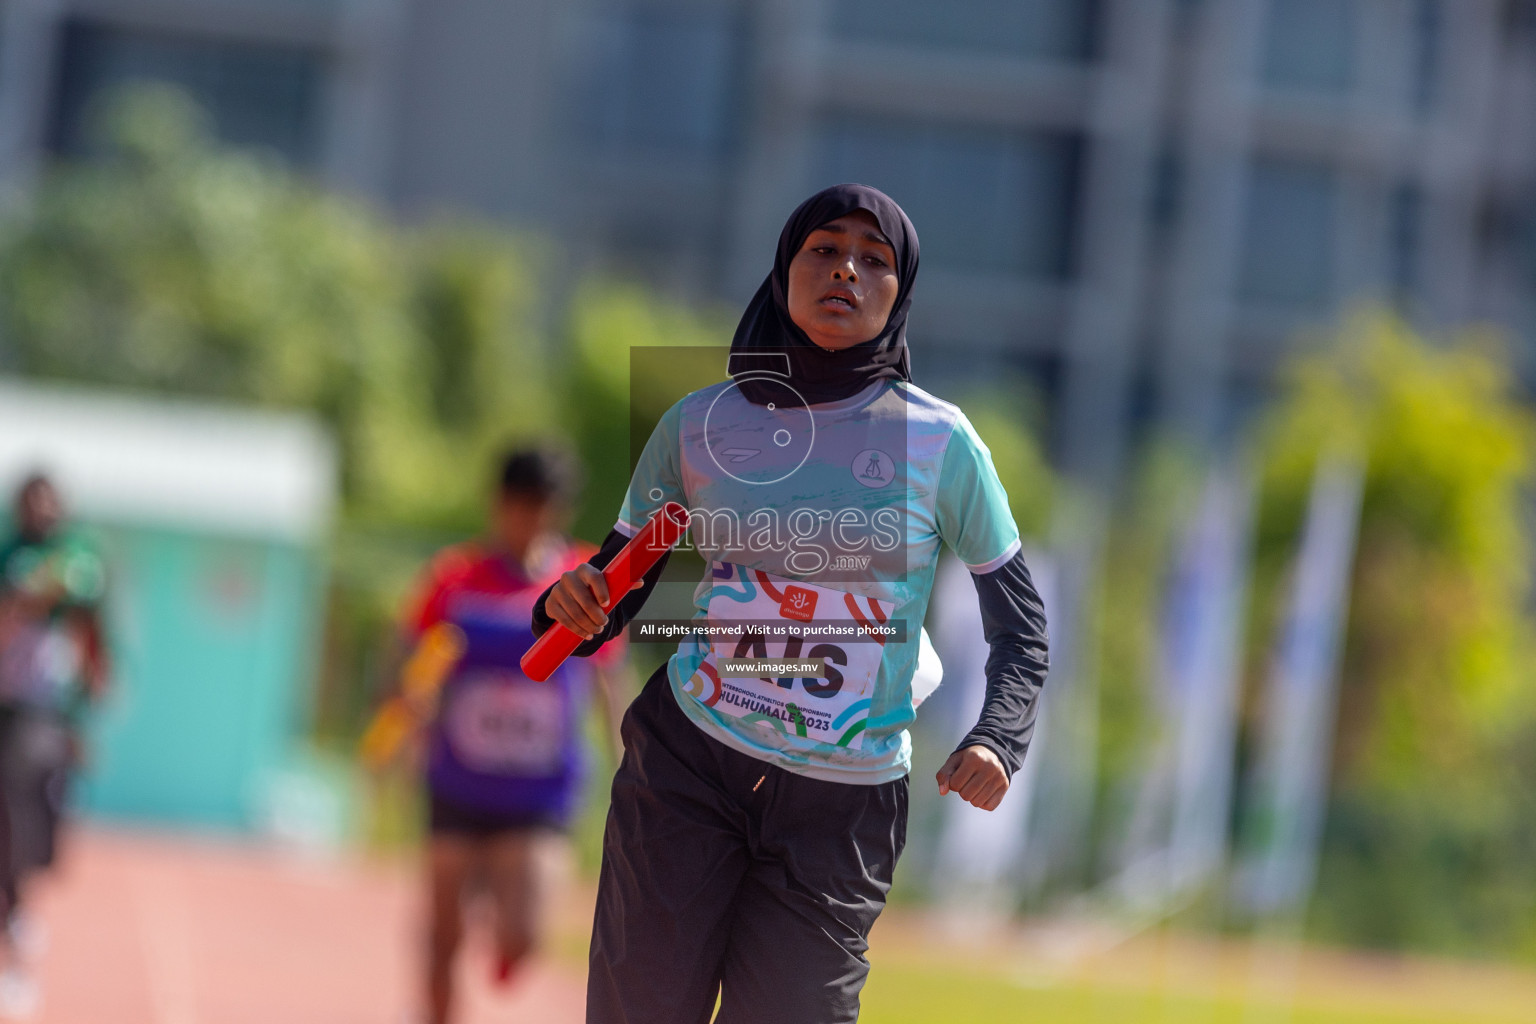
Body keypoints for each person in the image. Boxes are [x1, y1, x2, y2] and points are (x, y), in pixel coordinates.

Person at [534, 184, 1050, 1023]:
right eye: (824, 248)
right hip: (688, 767)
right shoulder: (698, 428)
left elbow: (1022, 627)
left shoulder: (942, 443)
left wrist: (999, 736)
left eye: (874, 259)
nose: (846, 268)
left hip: (840, 809)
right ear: (783, 271)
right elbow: (618, 586)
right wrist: (572, 603)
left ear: (900, 293)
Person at [393, 446, 627, 1024]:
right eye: (521, 507)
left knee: (524, 937)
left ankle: (504, 934)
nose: (531, 521)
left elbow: (607, 679)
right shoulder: (455, 579)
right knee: (442, 938)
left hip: (539, 792)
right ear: (499, 505)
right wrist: (402, 714)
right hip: (457, 780)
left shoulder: (580, 582)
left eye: (544, 508)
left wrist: (627, 759)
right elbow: (409, 661)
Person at [0, 473, 110, 1016]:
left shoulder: (79, 559)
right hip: (4, 707)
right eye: (31, 502)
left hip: (42, 713)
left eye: (51, 503)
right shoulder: (7, 553)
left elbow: (92, 635)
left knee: (26, 821)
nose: (41, 512)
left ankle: (17, 916)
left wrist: (84, 718)